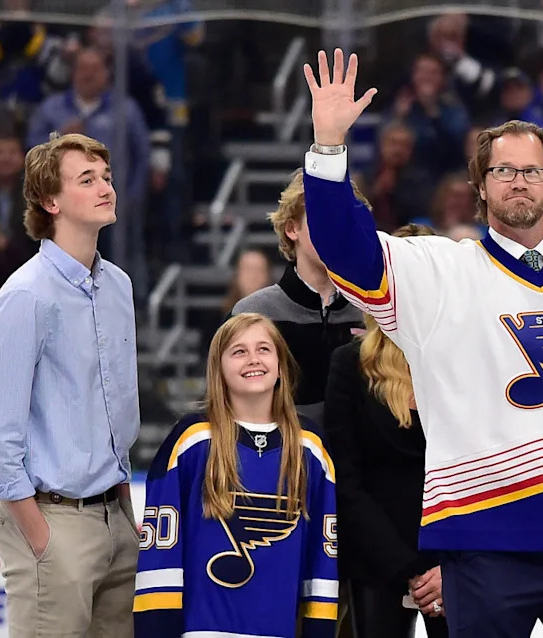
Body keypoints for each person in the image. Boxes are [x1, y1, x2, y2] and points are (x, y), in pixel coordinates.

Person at [299, 49, 543, 637]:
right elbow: (345, 247)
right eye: (503, 171)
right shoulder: (437, 272)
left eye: (531, 171)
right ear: (480, 185)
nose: (518, 182)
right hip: (481, 542)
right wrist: (328, 147)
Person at [0, 133, 140, 637]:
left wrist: (124, 508)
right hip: (52, 519)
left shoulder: (119, 286)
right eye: (86, 179)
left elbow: (113, 410)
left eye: (105, 176)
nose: (104, 187)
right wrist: (41, 536)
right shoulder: (26, 296)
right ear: (50, 201)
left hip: (116, 515)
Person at [134, 312, 338, 638]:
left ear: (281, 365)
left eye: (263, 349)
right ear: (218, 369)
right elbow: (160, 553)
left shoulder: (310, 447)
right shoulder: (191, 441)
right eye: (238, 351)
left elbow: (322, 557)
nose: (253, 359)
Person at [324, 223, 449, 638]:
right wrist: (409, 568)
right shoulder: (350, 364)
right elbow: (347, 479)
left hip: (456, 562)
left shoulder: (465, 361)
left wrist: (445, 567)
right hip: (376, 559)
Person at [229, 168, 365, 426]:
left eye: (344, 220)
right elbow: (226, 409)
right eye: (324, 219)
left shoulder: (374, 314)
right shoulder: (253, 314)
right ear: (292, 229)